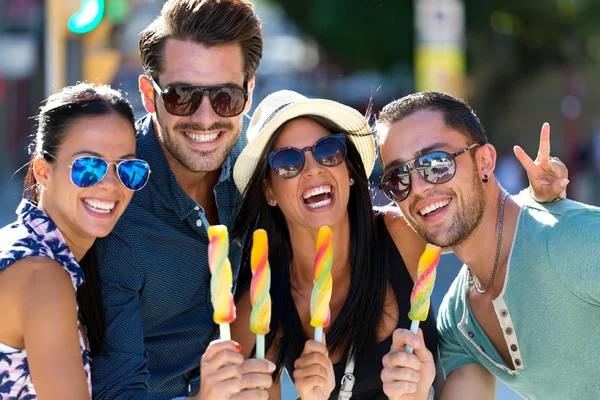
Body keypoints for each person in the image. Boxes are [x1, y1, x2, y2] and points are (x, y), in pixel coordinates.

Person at [228, 90, 564, 400]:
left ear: (348, 171)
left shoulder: (401, 235)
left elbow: (478, 226)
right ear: (268, 191)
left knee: (471, 366)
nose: (313, 170)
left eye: (328, 151)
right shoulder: (261, 303)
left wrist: (539, 200)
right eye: (288, 163)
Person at [91, 1, 273, 399]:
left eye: (225, 96)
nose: (206, 118)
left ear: (249, 89)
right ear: (147, 93)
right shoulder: (111, 200)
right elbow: (115, 392)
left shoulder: (263, 172)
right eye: (181, 96)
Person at [375, 92, 598, 400]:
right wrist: (414, 395)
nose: (420, 188)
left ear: (484, 161)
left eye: (436, 163)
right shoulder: (458, 320)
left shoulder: (572, 239)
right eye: (398, 177)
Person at [0, 83, 150, 398]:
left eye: (128, 169)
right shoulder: (41, 275)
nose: (111, 185)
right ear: (43, 170)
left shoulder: (28, 250)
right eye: (88, 166)